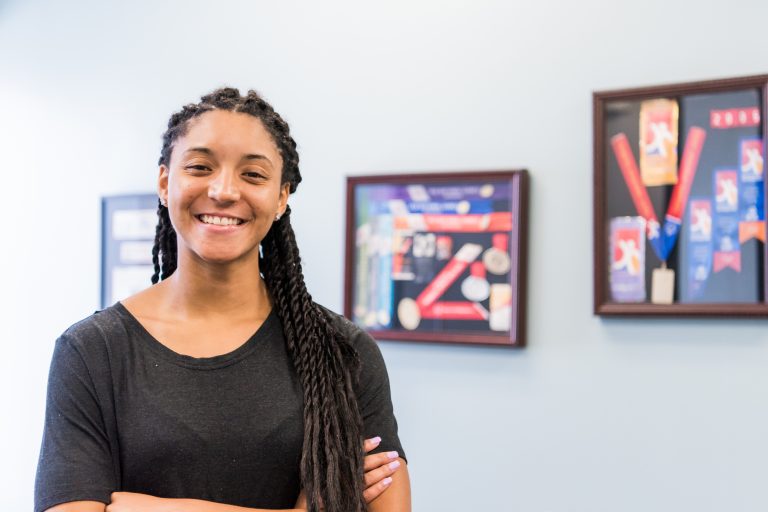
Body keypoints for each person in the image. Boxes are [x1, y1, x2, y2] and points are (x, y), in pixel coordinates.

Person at [34, 88, 411, 512]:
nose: (224, 190)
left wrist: (161, 509)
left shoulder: (342, 352)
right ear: (164, 182)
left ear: (282, 196)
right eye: (200, 166)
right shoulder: (92, 351)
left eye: (253, 175)